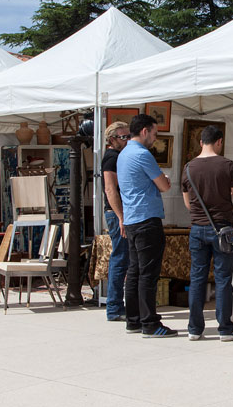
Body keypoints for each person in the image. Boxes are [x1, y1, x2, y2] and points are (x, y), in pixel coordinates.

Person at [181, 125, 233, 341]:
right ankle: (224, 329)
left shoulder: (188, 167)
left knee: (197, 278)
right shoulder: (227, 165)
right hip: (223, 229)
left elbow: (188, 204)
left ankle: (194, 329)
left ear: (201, 142)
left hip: (197, 229)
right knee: (223, 279)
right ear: (219, 142)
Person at [117, 114, 176, 337]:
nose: (155, 138)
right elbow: (163, 186)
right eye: (154, 133)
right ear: (144, 131)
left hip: (132, 218)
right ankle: (150, 323)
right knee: (148, 274)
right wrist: (166, 180)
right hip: (146, 218)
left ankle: (133, 320)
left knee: (134, 271)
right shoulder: (142, 154)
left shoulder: (123, 154)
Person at [102, 121, 131, 321]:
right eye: (123, 137)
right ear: (112, 139)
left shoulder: (118, 156)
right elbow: (110, 189)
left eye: (128, 136)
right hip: (117, 213)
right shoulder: (111, 157)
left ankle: (117, 306)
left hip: (119, 213)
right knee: (120, 259)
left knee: (123, 259)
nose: (127, 140)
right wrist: (121, 216)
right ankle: (114, 307)